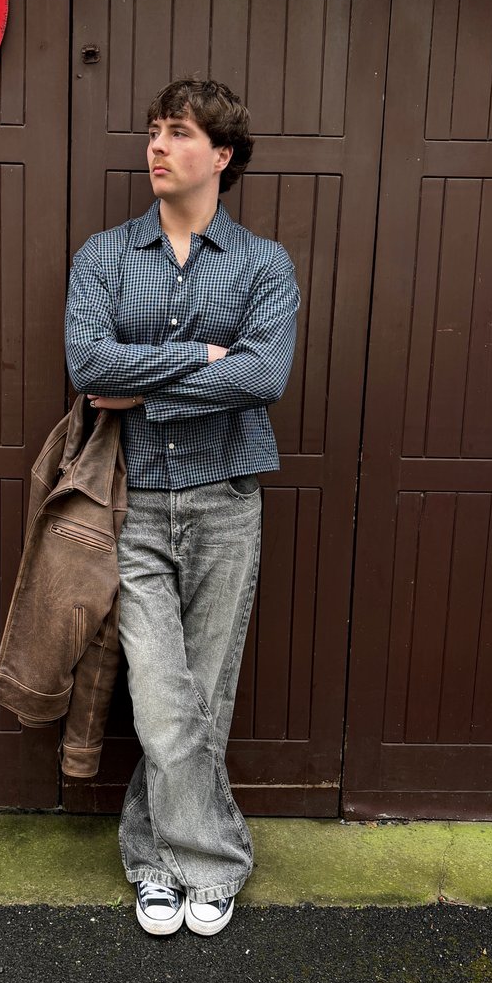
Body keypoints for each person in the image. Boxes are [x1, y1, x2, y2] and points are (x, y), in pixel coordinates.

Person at [64, 78, 300, 937]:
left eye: (179, 133)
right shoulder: (104, 255)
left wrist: (148, 387)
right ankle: (216, 859)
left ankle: (158, 862)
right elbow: (90, 365)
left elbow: (263, 377)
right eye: (155, 132)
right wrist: (201, 356)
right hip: (132, 506)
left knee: (204, 695)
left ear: (222, 155)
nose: (158, 146)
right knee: (162, 697)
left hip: (227, 502)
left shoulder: (265, 264)